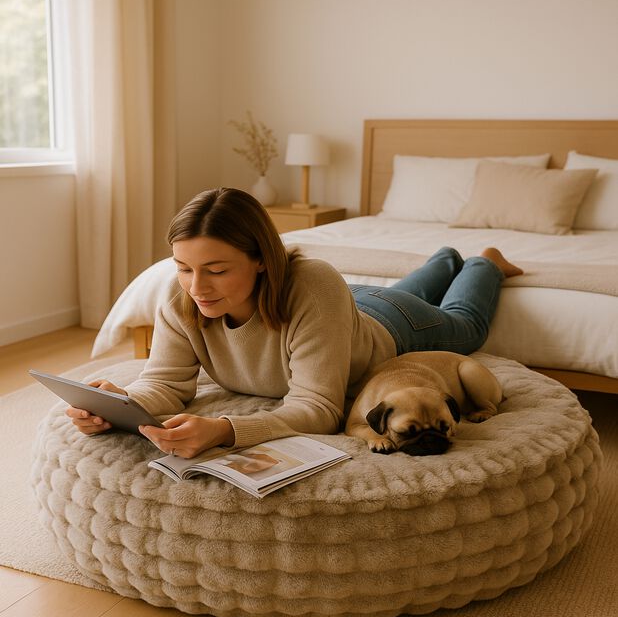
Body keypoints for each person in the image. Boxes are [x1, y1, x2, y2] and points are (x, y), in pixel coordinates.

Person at [67, 187, 523, 459]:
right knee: (401, 290)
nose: (197, 286)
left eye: (218, 269)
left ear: (263, 260)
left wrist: (227, 430)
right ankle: (443, 260)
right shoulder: (180, 294)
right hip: (343, 310)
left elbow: (321, 409)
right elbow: (165, 384)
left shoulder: (314, 283)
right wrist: (120, 403)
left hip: (390, 323)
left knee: (464, 325)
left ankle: (483, 263)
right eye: (184, 266)